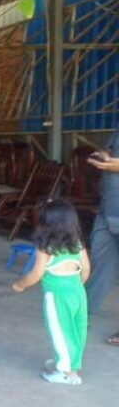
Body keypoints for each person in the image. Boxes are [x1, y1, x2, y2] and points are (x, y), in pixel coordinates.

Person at [12, 199, 90, 385]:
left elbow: (36, 274)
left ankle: (66, 373)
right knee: (76, 331)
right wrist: (75, 285)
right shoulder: (78, 244)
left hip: (57, 296)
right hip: (78, 293)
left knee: (60, 332)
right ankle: (71, 363)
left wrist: (20, 285)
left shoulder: (45, 248)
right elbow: (86, 270)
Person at [85, 139, 119, 345]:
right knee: (99, 265)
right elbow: (111, 146)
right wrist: (103, 154)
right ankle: (83, 314)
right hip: (109, 209)